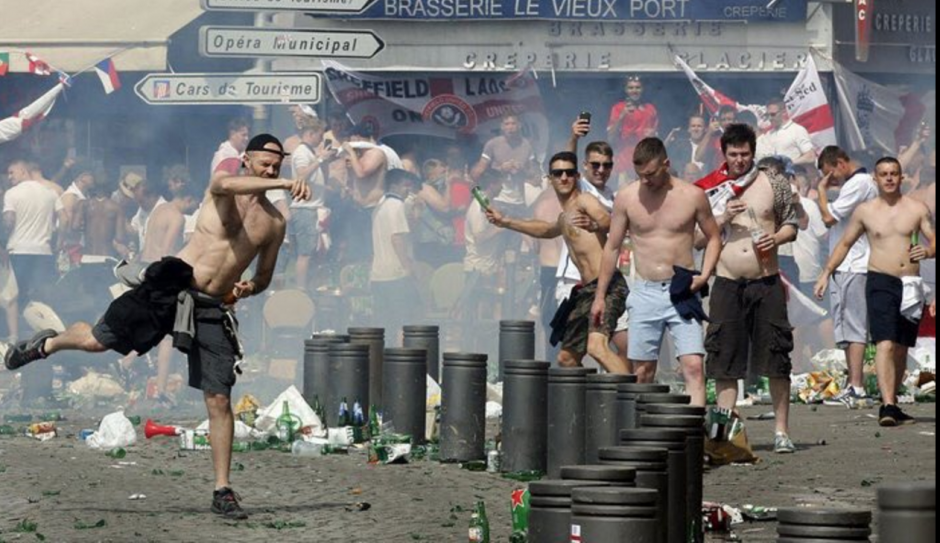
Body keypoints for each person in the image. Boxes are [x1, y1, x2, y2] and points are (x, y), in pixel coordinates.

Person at [5, 134, 311, 520]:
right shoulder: (221, 186)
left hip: (211, 306)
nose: (271, 169)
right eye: (265, 164)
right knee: (99, 342)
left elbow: (265, 275)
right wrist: (283, 184)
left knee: (219, 398)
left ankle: (223, 489)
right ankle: (47, 344)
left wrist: (249, 287)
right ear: (246, 160)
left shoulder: (274, 222)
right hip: (171, 284)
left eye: (277, 166)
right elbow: (227, 183)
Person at [593, 138, 722, 405]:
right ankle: (642, 434)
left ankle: (694, 436)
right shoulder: (628, 197)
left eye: (651, 174)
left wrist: (705, 274)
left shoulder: (692, 195)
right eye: (640, 175)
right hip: (644, 290)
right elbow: (612, 247)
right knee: (642, 372)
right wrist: (600, 296)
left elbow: (713, 237)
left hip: (682, 289)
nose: (646, 181)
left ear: (666, 164)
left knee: (694, 366)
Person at [697, 125, 800, 451]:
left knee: (776, 357)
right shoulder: (710, 189)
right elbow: (697, 239)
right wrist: (723, 217)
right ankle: (723, 435)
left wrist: (777, 237)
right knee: (723, 358)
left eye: (745, 154)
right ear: (723, 153)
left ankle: (781, 432)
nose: (740, 160)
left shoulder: (774, 182)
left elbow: (792, 224)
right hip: (727, 281)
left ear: (752, 152)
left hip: (765, 279)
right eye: (733, 154)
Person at [815, 157, 935, 427]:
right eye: (884, 174)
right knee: (885, 342)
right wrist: (826, 273)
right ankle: (888, 405)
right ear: (876, 179)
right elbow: (845, 243)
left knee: (902, 347)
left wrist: (927, 251)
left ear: (901, 177)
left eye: (894, 173)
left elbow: (933, 239)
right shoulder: (865, 211)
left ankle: (894, 400)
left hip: (910, 283)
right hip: (880, 280)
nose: (890, 178)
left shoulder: (916, 209)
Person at [487, 152, 629, 375]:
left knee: (597, 348)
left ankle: (636, 401)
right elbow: (545, 229)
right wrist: (505, 221)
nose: (564, 177)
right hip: (586, 291)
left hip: (608, 286)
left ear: (577, 176)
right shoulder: (565, 216)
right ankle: (587, 407)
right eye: (558, 173)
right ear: (550, 178)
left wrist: (596, 224)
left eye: (569, 173)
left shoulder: (584, 200)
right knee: (566, 359)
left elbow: (607, 220)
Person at [565, 118, 631, 371]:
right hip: (577, 281)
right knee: (572, 356)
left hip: (607, 281)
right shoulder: (579, 187)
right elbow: (566, 162)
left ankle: (621, 398)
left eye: (606, 165)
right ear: (584, 166)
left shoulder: (614, 197)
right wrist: (574, 137)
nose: (601, 170)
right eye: (595, 164)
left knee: (621, 346)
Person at [816, 146, 879, 408]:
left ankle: (856, 385)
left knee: (853, 325)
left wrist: (820, 191)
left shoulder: (860, 183)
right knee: (844, 324)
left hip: (855, 264)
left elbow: (829, 217)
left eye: (831, 174)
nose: (831, 181)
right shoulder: (854, 186)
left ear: (840, 163)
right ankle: (852, 383)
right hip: (845, 265)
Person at [3, 158, 60, 400]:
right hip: (44, 253)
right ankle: (46, 340)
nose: (9, 176)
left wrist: (2, 242)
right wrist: (55, 242)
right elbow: (63, 221)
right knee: (40, 300)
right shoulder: (49, 194)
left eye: (11, 171)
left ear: (23, 170)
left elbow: (8, 221)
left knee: (15, 296)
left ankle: (18, 342)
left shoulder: (13, 193)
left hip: (19, 251)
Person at [370, 169, 422, 338]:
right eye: (406, 185)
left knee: (385, 325)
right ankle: (401, 360)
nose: (408, 189)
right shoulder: (396, 205)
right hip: (396, 274)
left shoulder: (380, 205)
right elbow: (397, 238)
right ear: (394, 185)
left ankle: (384, 361)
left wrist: (415, 212)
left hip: (378, 275)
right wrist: (408, 267)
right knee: (404, 323)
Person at [290, 117, 335, 290]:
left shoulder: (310, 153)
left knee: (315, 252)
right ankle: (301, 291)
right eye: (320, 135)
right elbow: (301, 175)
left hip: (314, 208)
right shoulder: (301, 152)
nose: (321, 139)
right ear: (310, 133)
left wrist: (324, 160)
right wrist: (320, 159)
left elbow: (318, 176)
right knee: (305, 253)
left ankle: (311, 286)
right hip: (305, 209)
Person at [459, 171, 507, 327]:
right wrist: (500, 228)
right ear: (492, 184)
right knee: (478, 313)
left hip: (488, 266)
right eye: (500, 183)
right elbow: (479, 238)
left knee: (487, 309)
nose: (502, 187)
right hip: (478, 268)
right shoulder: (477, 208)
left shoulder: (486, 203)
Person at [471, 114, 536, 210]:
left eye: (513, 123)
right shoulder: (492, 144)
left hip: (519, 200)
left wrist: (522, 168)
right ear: (502, 126)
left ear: (519, 125)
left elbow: (533, 173)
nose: (510, 127)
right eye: (507, 124)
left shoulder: (526, 145)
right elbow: (478, 172)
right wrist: (501, 169)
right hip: (497, 198)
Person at [607, 76, 659, 182]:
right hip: (624, 164)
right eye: (631, 88)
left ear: (642, 89)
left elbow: (657, 140)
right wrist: (622, 116)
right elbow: (610, 137)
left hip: (645, 163)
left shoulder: (651, 109)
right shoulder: (618, 108)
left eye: (637, 87)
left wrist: (653, 135)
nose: (634, 91)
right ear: (626, 90)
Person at [57, 160, 97, 266]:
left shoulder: (85, 196)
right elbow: (67, 226)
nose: (93, 178)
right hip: (70, 249)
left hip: (80, 247)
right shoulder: (70, 196)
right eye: (91, 175)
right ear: (82, 177)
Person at [756, 98, 816, 166]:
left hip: (795, 174)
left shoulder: (797, 130)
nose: (770, 118)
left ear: (783, 112)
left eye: (773, 114)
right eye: (767, 115)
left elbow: (811, 156)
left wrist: (790, 163)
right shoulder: (768, 135)